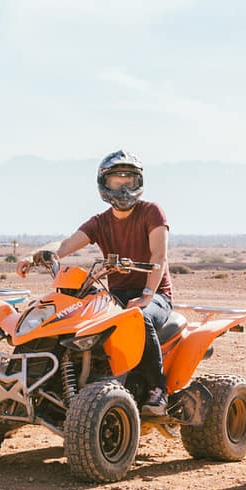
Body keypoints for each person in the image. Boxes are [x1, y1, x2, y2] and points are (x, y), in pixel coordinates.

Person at [28, 151, 172, 416]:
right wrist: (35, 255)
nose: (124, 187)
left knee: (138, 317)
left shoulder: (151, 212)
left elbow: (159, 256)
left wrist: (148, 295)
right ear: (104, 184)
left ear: (139, 182)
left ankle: (157, 390)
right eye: (117, 181)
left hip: (155, 296)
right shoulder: (100, 221)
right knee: (72, 318)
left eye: (129, 179)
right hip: (115, 295)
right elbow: (65, 244)